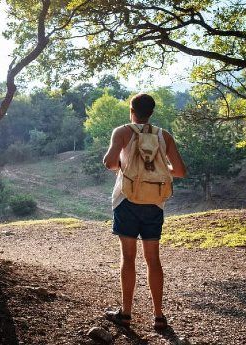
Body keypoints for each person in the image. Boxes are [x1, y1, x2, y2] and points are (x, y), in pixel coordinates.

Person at [102, 93, 186, 330]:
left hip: (126, 201)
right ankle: (159, 316)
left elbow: (109, 163)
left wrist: (126, 166)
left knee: (128, 258)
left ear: (132, 110)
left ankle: (126, 314)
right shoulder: (164, 135)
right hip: (154, 202)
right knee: (153, 259)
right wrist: (158, 170)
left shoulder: (122, 132)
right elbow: (179, 170)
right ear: (152, 112)